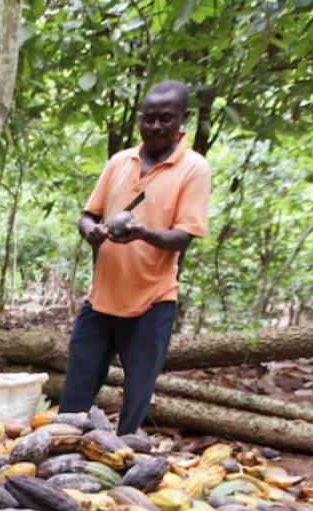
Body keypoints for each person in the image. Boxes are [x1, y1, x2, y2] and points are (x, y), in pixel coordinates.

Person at [59, 80, 211, 435]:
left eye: (165, 119)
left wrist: (141, 232)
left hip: (151, 303)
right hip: (100, 301)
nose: (155, 126)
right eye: (149, 119)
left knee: (135, 403)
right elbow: (88, 214)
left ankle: (122, 464)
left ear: (182, 121)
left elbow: (183, 237)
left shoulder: (194, 168)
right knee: (73, 401)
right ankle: (60, 469)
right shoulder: (119, 162)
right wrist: (89, 230)